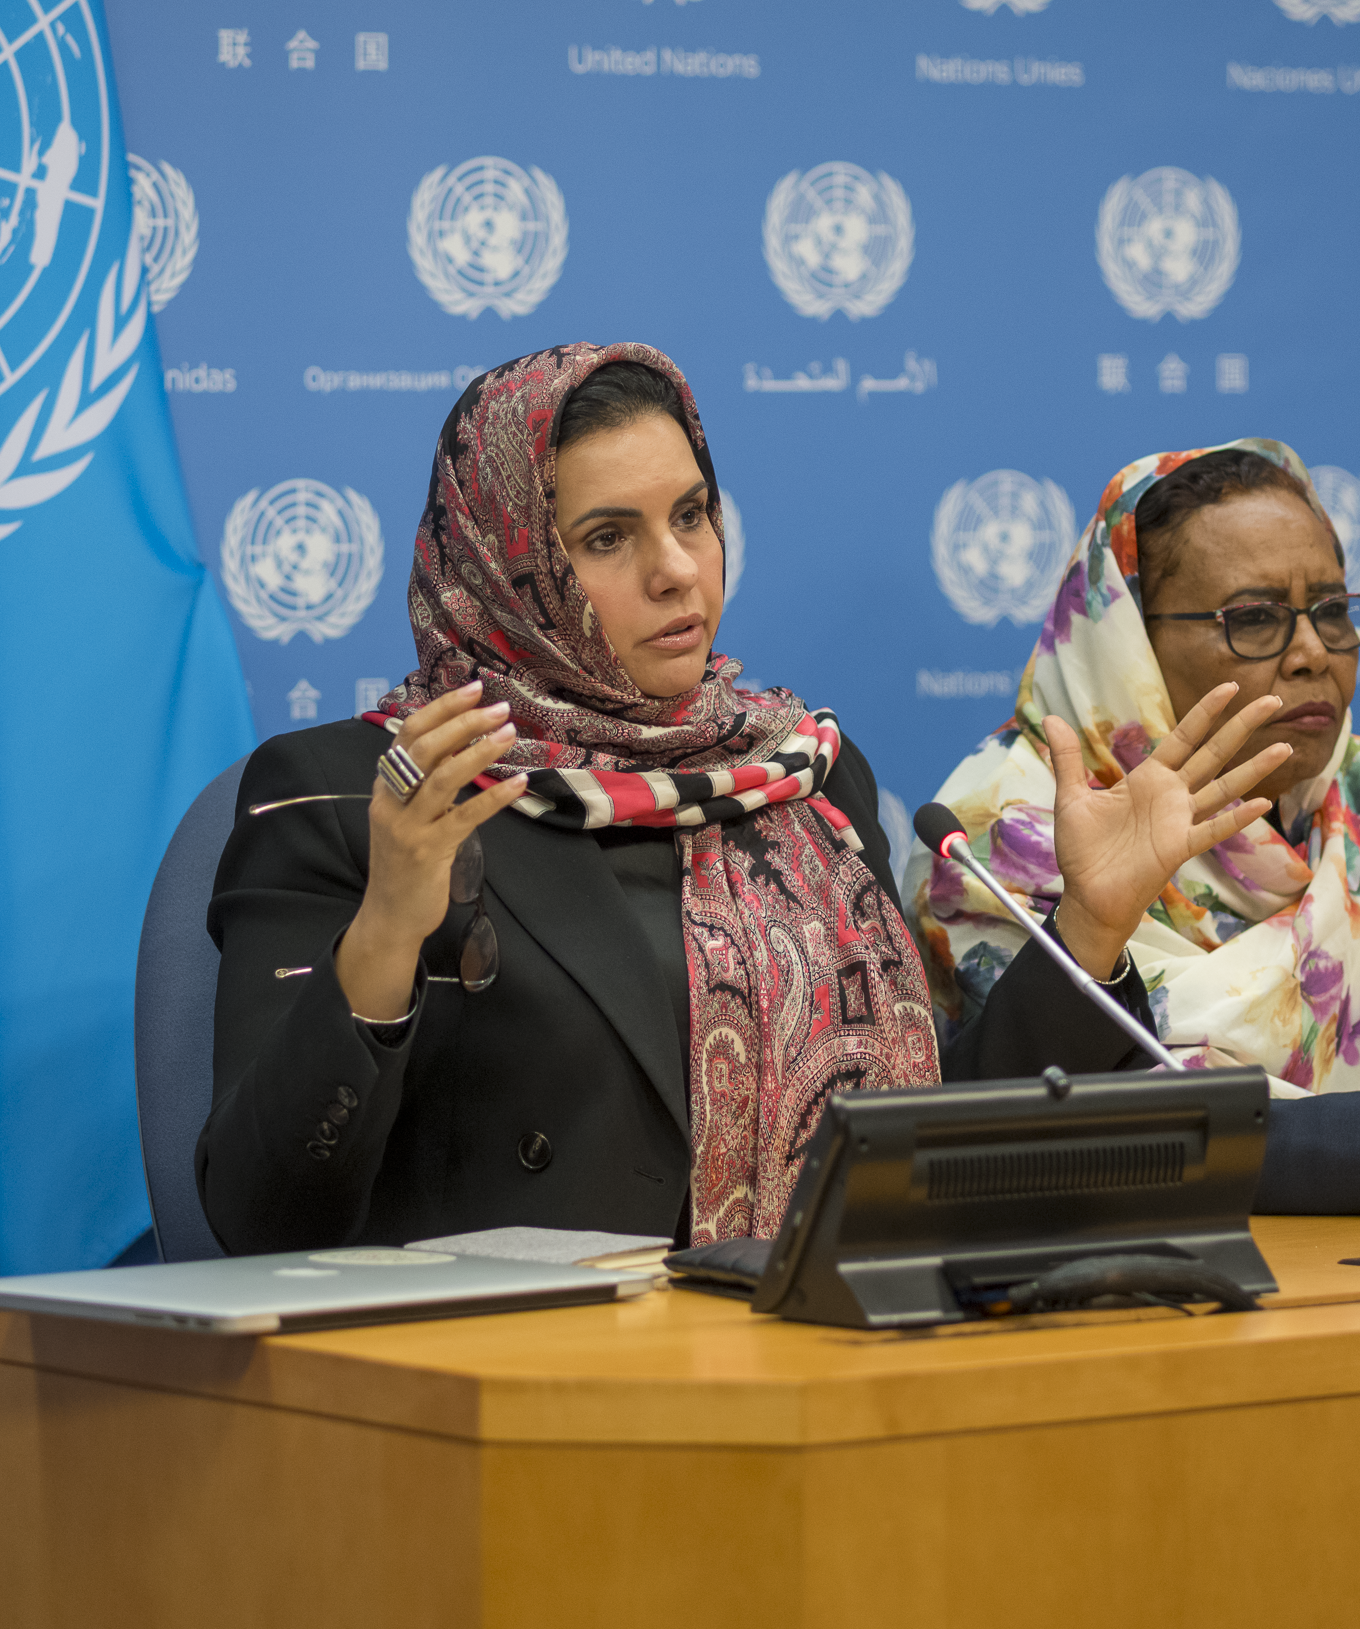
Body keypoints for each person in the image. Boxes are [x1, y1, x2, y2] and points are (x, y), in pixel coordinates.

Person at [197, 355, 1285, 1254]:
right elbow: (260, 1216)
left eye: (691, 514)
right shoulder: (362, 793)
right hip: (514, 1407)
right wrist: (387, 928)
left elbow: (919, 1148)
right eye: (607, 538)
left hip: (816, 1362)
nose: (679, 569)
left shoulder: (799, 774)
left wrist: (1088, 929)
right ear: (505, 565)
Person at [908, 438, 1360, 1206]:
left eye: (1331, 610)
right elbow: (1095, 1137)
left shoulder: (1342, 791)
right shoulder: (1002, 833)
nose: (1313, 652)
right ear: (1126, 641)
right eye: (1255, 618)